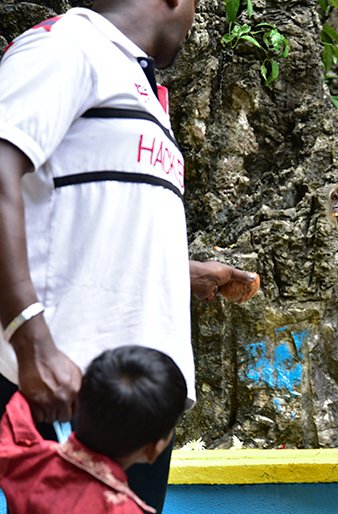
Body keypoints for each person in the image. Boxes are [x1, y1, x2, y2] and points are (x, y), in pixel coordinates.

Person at [0, 0, 260, 511]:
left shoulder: (131, 78)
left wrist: (174, 271)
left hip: (135, 407)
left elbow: (78, 218)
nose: (192, 25)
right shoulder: (66, 48)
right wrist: (31, 341)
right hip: (64, 386)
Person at [0, 346, 188, 513]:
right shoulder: (123, 508)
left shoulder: (26, 460)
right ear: (154, 449)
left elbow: (17, 411)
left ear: (77, 406)